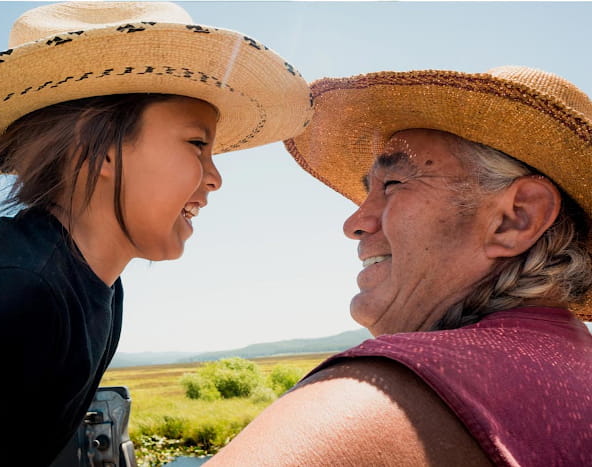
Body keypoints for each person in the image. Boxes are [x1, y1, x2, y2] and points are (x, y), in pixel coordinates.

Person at [206, 66, 592, 466]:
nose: (355, 223)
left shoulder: (383, 394)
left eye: (393, 185)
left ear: (516, 218)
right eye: (366, 190)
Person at [0, 2, 312, 465]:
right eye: (198, 144)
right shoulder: (18, 290)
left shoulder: (96, 285)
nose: (214, 176)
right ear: (94, 150)